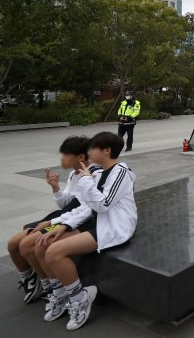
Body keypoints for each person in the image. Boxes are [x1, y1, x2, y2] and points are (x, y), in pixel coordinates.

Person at [34, 132, 137, 331]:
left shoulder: (121, 172)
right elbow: (83, 207)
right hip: (94, 221)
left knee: (54, 252)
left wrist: (87, 180)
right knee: (42, 245)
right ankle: (60, 293)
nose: (88, 153)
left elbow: (103, 205)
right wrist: (62, 226)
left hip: (114, 226)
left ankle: (80, 297)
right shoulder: (94, 173)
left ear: (106, 151)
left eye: (93, 149)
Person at [6, 136, 94, 304]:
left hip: (71, 219)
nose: (62, 159)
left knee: (26, 245)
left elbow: (86, 208)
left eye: (66, 155)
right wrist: (56, 188)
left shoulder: (93, 175)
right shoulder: (73, 175)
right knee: (13, 244)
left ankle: (50, 286)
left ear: (80, 157)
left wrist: (53, 223)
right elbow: (66, 203)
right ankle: (32, 279)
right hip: (61, 215)